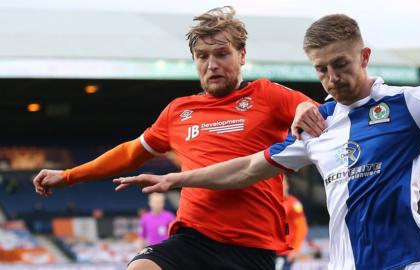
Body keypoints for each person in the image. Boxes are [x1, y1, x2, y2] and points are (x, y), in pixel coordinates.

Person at [113, 14, 420, 270]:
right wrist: (177, 179)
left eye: (341, 64)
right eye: (321, 69)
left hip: (404, 262)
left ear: (364, 57)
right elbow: (248, 168)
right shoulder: (319, 124)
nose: (332, 78)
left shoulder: (410, 103)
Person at [32, 6, 324, 270]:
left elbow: (313, 109)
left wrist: (302, 108)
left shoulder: (267, 95)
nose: (212, 65)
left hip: (252, 248)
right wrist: (69, 175)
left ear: (242, 55)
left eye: (222, 54)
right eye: (203, 56)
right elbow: (130, 153)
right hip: (193, 239)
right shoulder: (179, 111)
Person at [276, 176, 308, 270]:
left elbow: (302, 228)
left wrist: (295, 249)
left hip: (285, 252)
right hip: (270, 250)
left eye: (284, 183)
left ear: (287, 185)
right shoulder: (271, 202)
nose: (282, 186)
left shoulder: (294, 204)